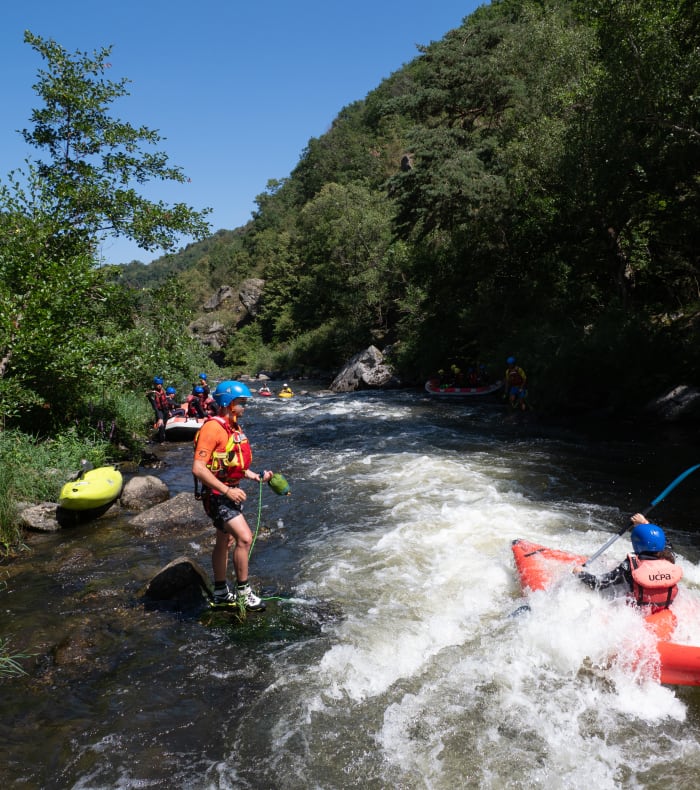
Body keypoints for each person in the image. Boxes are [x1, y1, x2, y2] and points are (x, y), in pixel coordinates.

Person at [192, 380, 274, 610]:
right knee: (245, 538)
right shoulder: (212, 428)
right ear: (228, 403)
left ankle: (220, 592)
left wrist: (255, 476)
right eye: (241, 403)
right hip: (217, 494)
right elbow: (198, 468)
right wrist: (228, 490)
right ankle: (244, 593)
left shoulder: (233, 427)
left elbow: (231, 463)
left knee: (225, 540)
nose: (244, 407)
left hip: (227, 491)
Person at [573, 514, 683, 612]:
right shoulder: (669, 557)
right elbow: (666, 543)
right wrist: (645, 523)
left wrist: (580, 573)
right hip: (664, 608)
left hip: (640, 612)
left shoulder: (630, 566)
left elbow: (600, 583)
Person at [147, 376, 170, 442]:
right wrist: (160, 417)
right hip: (159, 410)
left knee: (164, 426)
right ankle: (161, 442)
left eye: (160, 384)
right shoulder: (152, 394)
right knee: (161, 425)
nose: (159, 385)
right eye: (157, 384)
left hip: (165, 410)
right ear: (154, 385)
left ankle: (161, 438)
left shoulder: (163, 391)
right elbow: (155, 407)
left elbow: (165, 401)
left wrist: (169, 411)